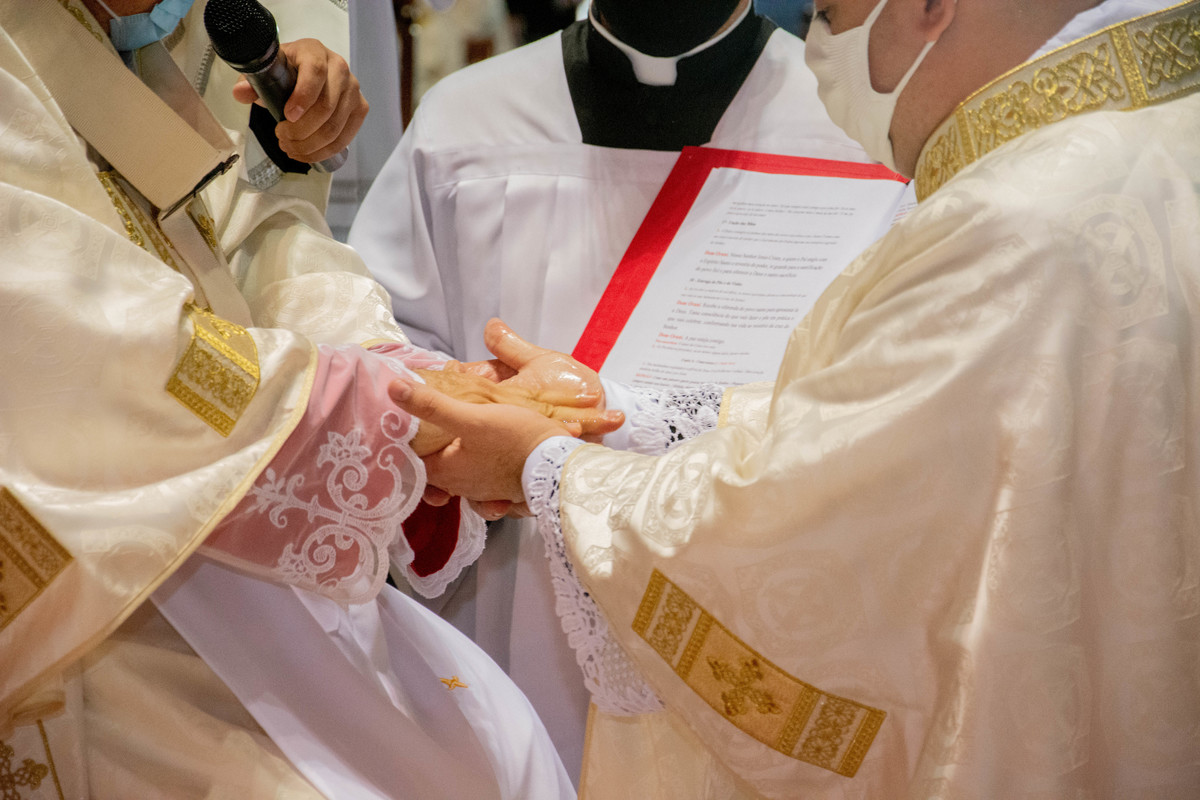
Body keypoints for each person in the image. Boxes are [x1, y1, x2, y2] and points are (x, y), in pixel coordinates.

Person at [390, 0, 1200, 796]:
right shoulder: (1143, 143)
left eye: (831, 12)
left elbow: (827, 514)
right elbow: (879, 421)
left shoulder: (1013, 223)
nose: (819, 44)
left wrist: (548, 470)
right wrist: (625, 418)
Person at [0, 1, 610, 797]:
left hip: (221, 509)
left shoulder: (175, 33)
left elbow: (242, 239)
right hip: (81, 569)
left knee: (498, 747)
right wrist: (400, 414)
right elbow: (84, 342)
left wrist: (405, 380)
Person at [349, 0, 869, 777]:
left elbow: (866, 409)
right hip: (509, 616)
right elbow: (379, 351)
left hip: (741, 629)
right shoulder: (467, 122)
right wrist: (464, 433)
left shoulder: (848, 120)